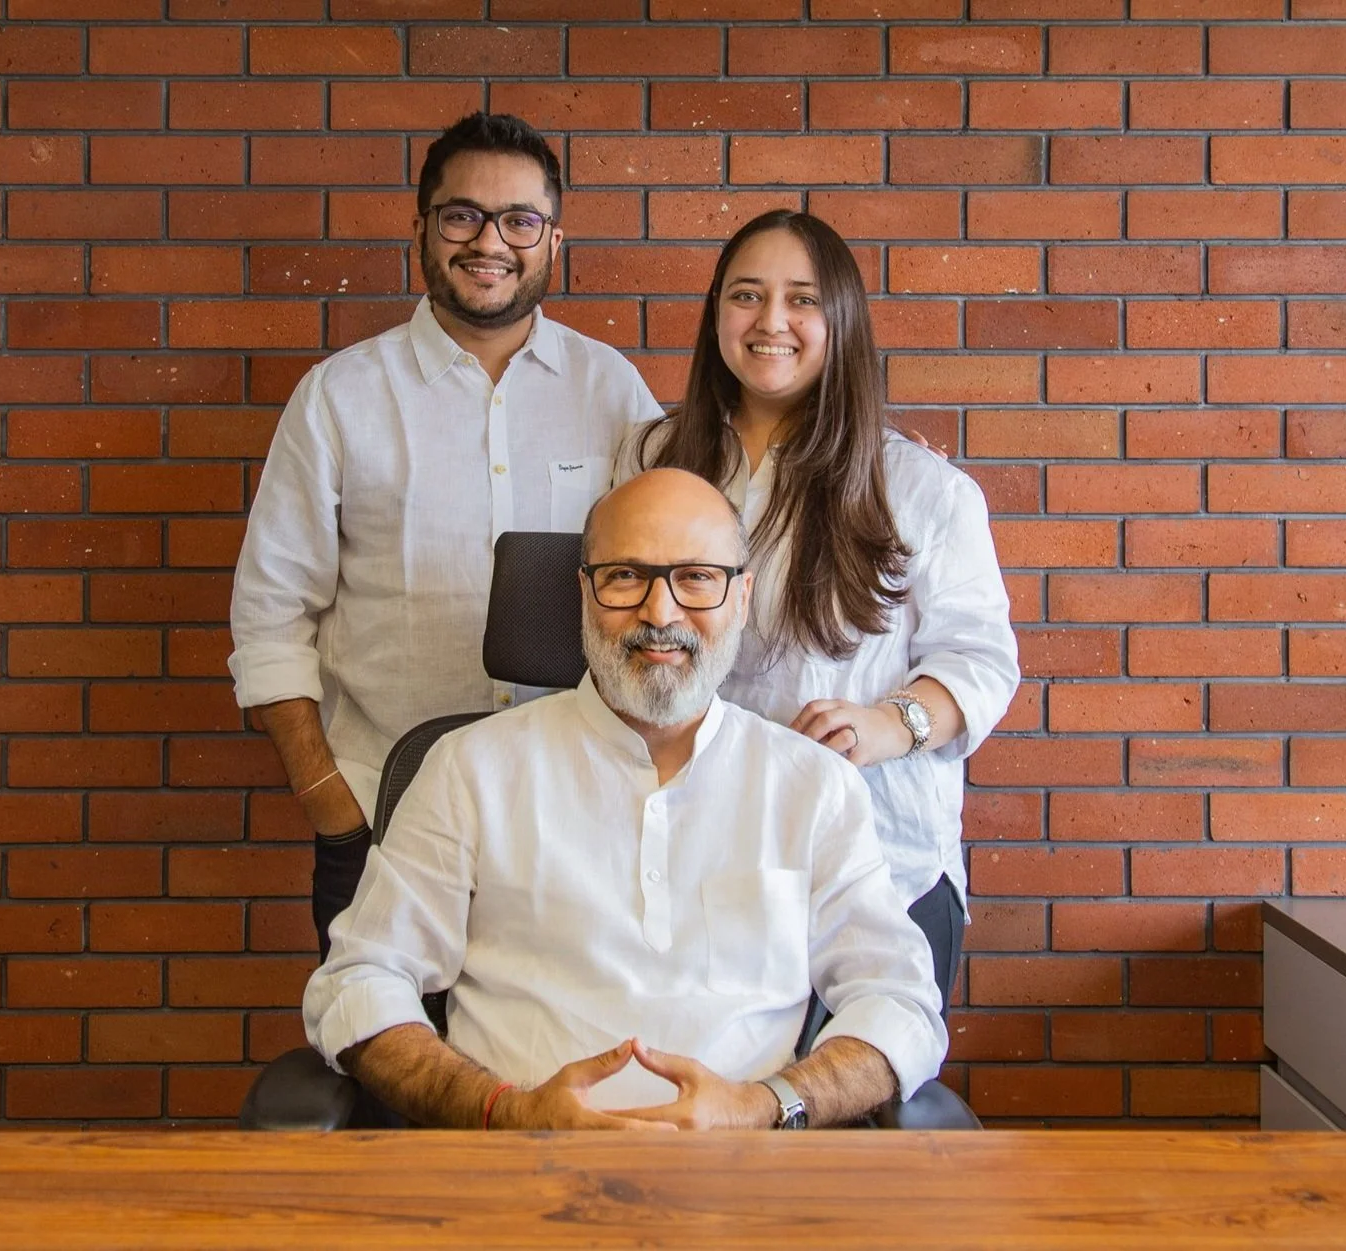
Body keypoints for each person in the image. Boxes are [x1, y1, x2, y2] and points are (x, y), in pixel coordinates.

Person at [304, 470, 946, 1130]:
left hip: (745, 1191)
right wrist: (505, 1111)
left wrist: (762, 1105)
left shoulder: (812, 786)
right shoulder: (470, 770)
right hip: (518, 1184)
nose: (660, 613)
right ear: (585, 591)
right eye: (624, 576)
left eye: (697, 576)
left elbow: (899, 1002)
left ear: (743, 595)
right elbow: (358, 982)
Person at [229, 113, 661, 953]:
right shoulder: (339, 398)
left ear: (553, 240)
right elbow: (270, 617)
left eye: (520, 221)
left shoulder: (613, 392)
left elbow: (661, 587)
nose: (489, 241)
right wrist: (331, 802)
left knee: (551, 1065)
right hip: (384, 817)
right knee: (390, 1065)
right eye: (462, 215)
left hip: (572, 819)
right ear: (421, 226)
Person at [619, 209, 1020, 1007]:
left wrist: (889, 723)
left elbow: (979, 662)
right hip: (704, 860)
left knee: (855, 1111)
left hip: (880, 866)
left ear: (841, 320)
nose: (772, 321)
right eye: (746, 296)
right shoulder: (651, 457)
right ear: (715, 318)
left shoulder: (922, 490)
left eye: (802, 299)